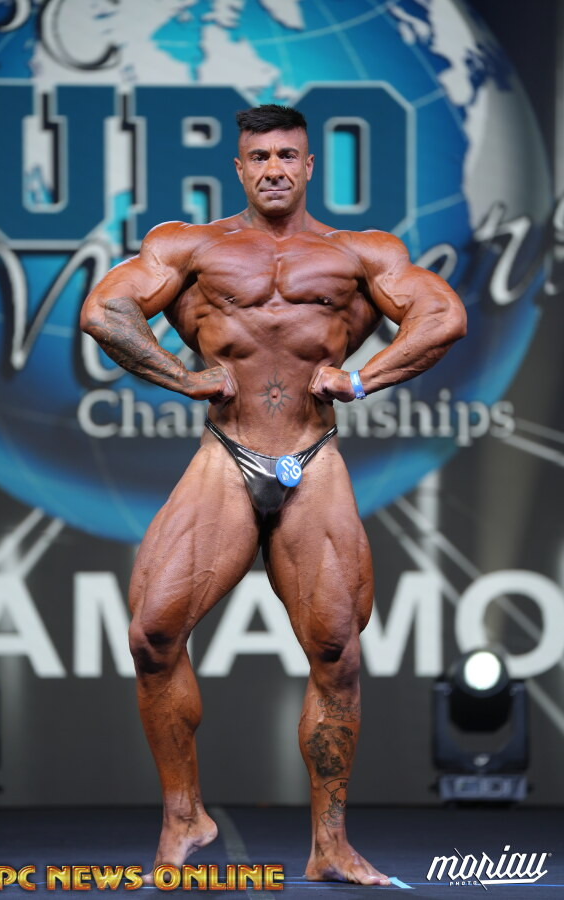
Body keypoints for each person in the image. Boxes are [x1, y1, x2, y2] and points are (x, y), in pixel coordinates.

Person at [80, 104, 466, 886]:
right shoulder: (190, 246)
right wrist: (181, 377)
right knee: (152, 634)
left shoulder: (359, 253)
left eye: (288, 155)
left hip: (312, 457)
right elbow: (104, 310)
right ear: (239, 167)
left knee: (337, 653)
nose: (274, 169)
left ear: (310, 165)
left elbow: (444, 315)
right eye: (259, 157)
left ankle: (330, 844)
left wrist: (363, 378)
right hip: (225, 454)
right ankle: (184, 814)